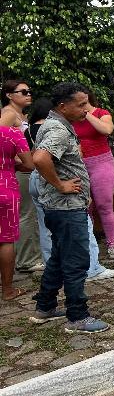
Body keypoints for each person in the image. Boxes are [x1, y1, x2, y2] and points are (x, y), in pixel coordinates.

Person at [30, 82, 110, 332]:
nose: (87, 109)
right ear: (63, 106)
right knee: (76, 261)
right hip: (65, 207)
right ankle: (78, 316)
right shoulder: (59, 130)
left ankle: (45, 306)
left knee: (58, 257)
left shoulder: (58, 125)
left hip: (61, 206)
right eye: (81, 104)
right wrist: (61, 185)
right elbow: (40, 158)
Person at [1, 80, 42, 273]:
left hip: (25, 169)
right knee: (26, 214)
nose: (28, 94)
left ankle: (26, 257)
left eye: (29, 91)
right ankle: (27, 260)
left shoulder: (18, 114)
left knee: (27, 213)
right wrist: (16, 159)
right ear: (9, 95)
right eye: (23, 91)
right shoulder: (9, 114)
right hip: (18, 171)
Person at [72, 91, 114, 260]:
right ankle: (90, 245)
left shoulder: (101, 113)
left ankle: (112, 245)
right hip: (79, 165)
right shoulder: (72, 118)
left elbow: (106, 130)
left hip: (102, 162)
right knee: (85, 206)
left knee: (104, 204)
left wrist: (88, 115)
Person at [0, 97, 34, 300]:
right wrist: (11, 163)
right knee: (5, 240)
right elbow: (29, 165)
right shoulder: (12, 134)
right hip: (6, 188)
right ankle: (8, 290)